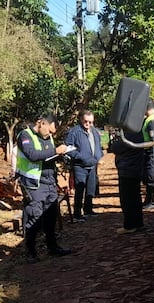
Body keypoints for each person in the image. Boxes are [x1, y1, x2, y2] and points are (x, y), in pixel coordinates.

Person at [16, 113, 72, 263]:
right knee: (35, 216)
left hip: (49, 182)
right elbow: (32, 155)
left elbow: (47, 157)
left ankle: (52, 247)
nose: (51, 134)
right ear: (41, 123)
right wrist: (56, 151)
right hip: (34, 184)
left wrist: (62, 155)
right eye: (50, 130)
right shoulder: (25, 136)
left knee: (50, 216)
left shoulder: (48, 137)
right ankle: (30, 251)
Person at [108, 125, 147, 234]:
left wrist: (116, 140)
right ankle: (138, 223)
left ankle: (130, 225)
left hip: (128, 170)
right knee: (135, 198)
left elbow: (115, 147)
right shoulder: (138, 133)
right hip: (135, 169)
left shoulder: (130, 135)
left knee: (127, 200)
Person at [65, 109, 103, 222]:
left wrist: (99, 155)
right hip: (79, 166)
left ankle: (88, 209)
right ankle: (77, 214)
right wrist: (80, 156)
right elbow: (68, 148)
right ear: (81, 120)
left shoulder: (94, 132)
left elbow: (98, 145)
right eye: (86, 121)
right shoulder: (74, 132)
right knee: (80, 189)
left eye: (91, 122)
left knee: (91, 189)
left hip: (92, 165)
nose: (88, 124)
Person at [141, 101, 154, 210]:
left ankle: (153, 201)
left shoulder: (151, 120)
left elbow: (152, 138)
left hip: (151, 152)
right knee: (148, 176)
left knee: (151, 176)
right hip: (148, 151)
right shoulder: (150, 119)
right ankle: (148, 200)